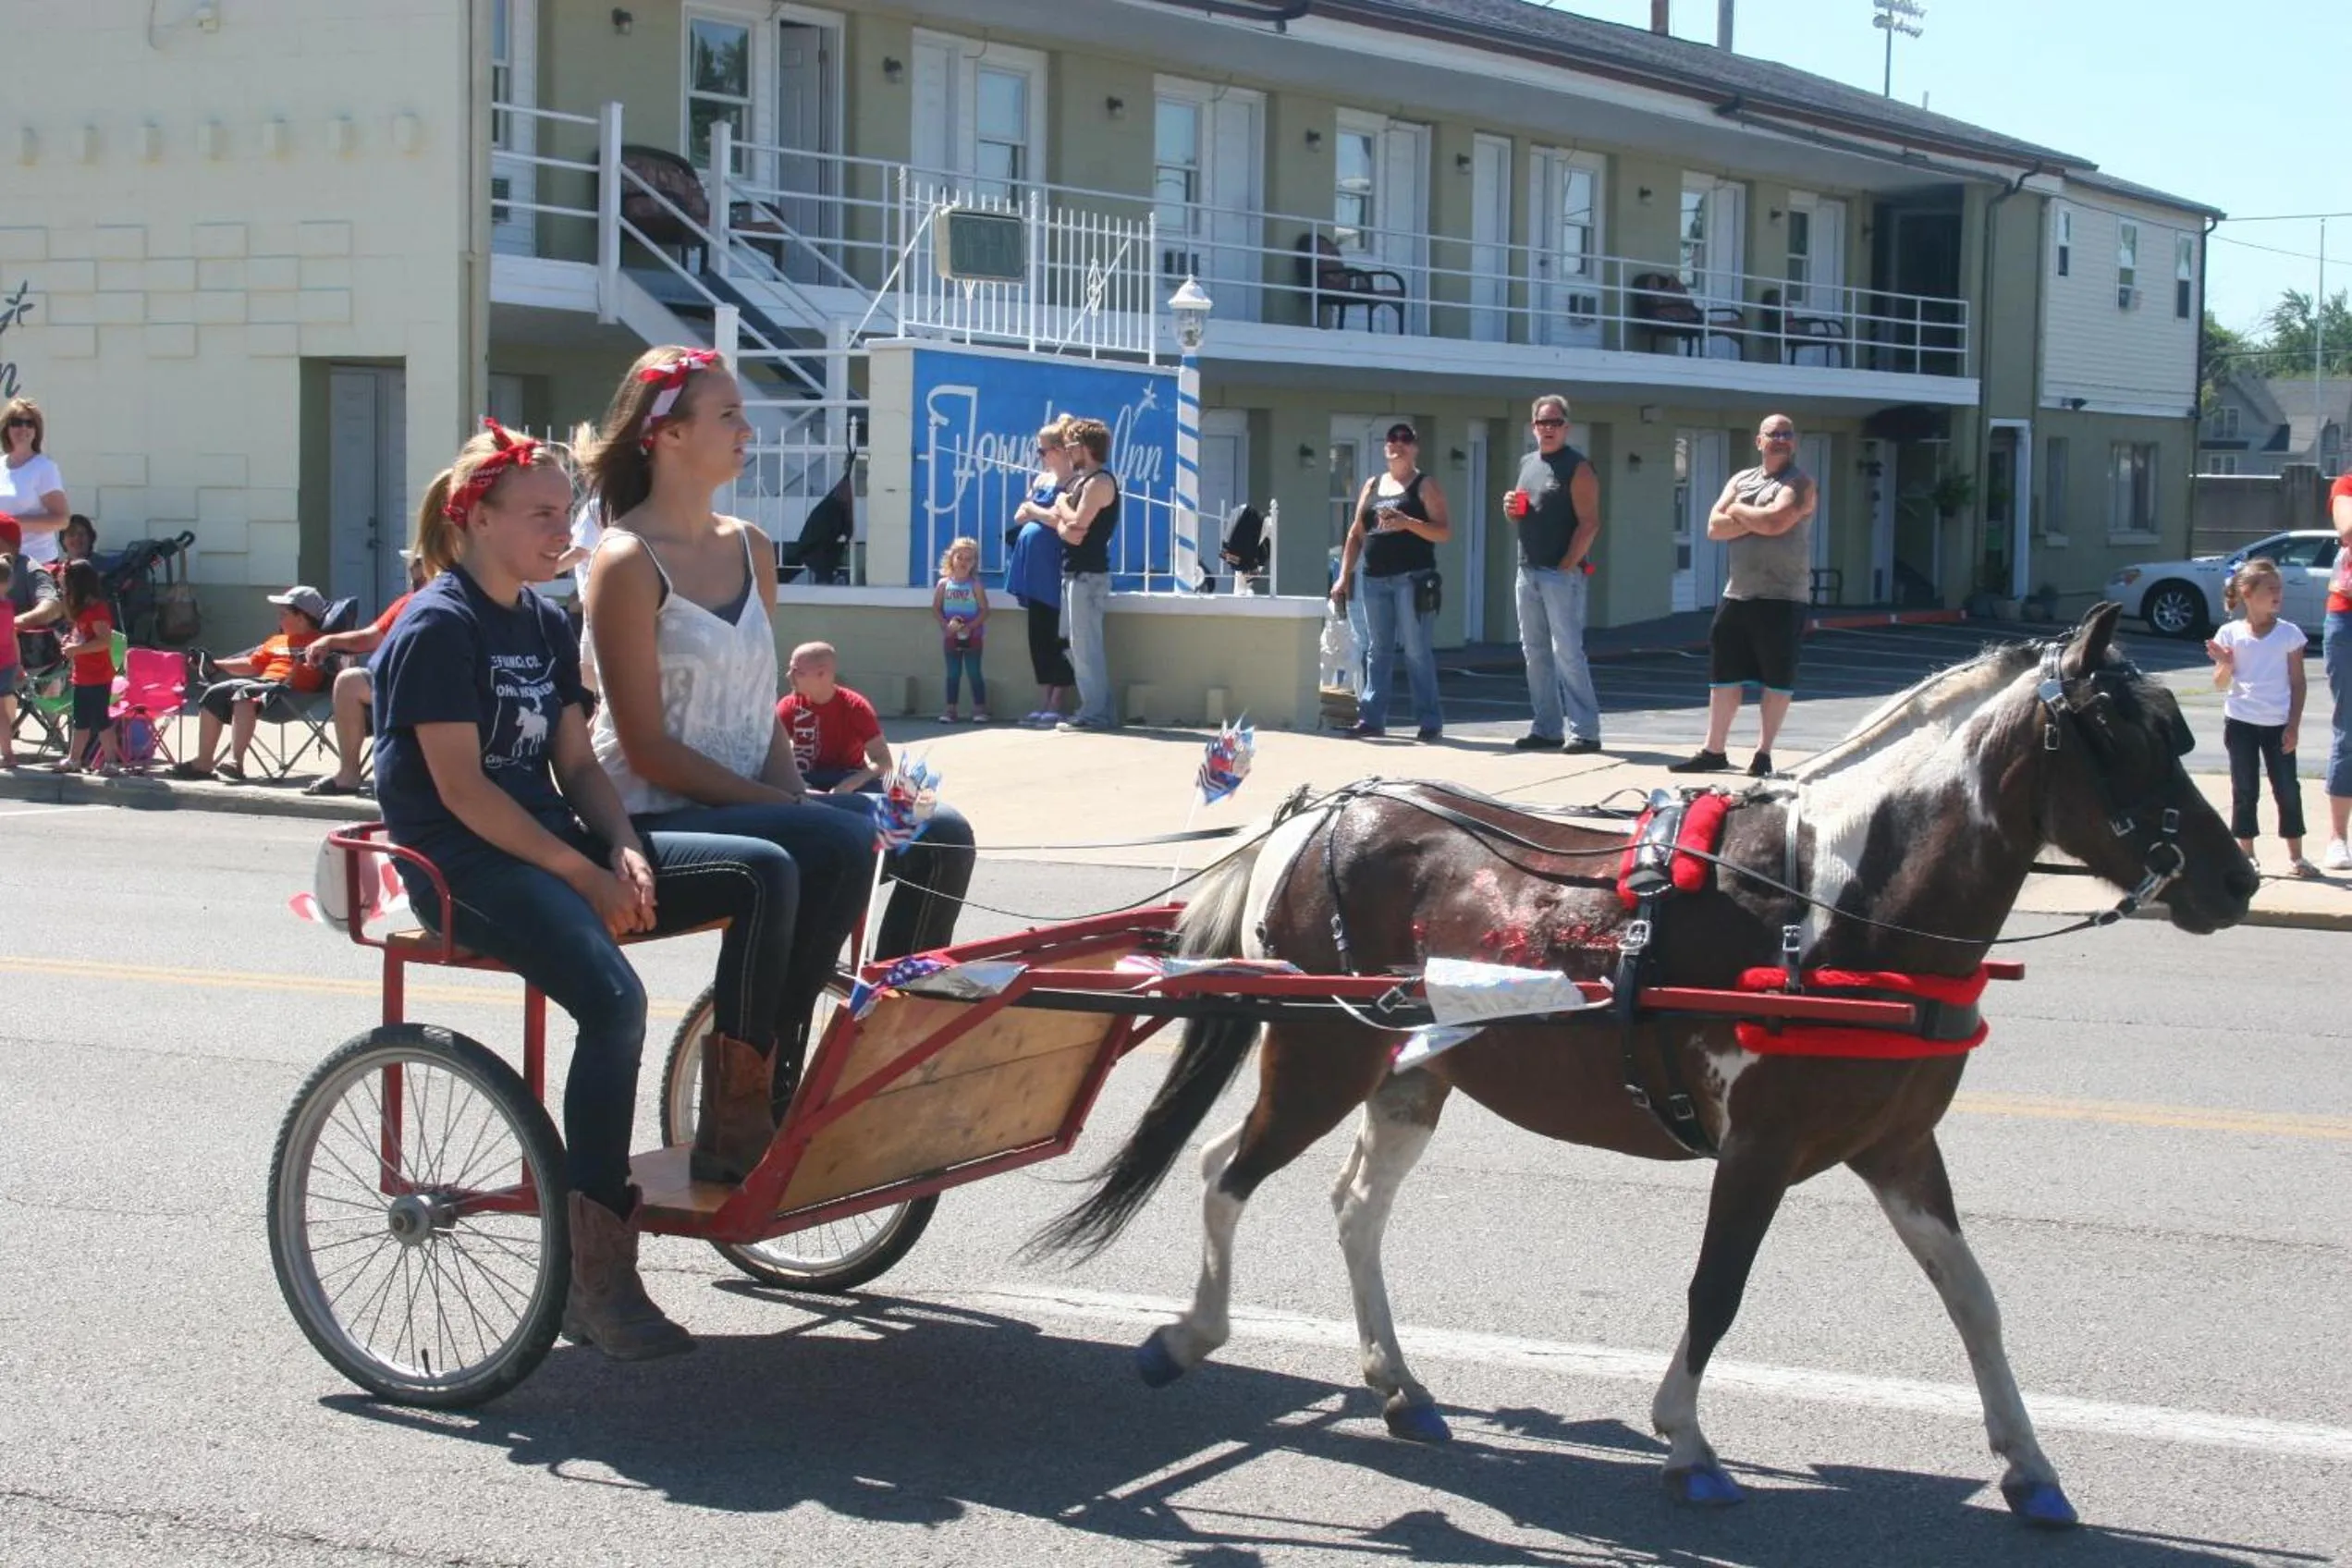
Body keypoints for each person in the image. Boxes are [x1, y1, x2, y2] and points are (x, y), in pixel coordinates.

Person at [374, 420, 817, 1360]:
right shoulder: (436, 626)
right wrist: (582, 871)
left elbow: (578, 763)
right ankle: (596, 1271)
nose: (561, 525)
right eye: (538, 512)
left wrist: (624, 847)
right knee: (614, 1003)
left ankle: (738, 1113)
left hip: (554, 843)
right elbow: (462, 792)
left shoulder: (544, 619)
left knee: (765, 867)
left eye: (564, 507)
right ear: (476, 516)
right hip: (466, 864)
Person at [580, 346, 970, 1179]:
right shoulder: (623, 560)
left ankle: (878, 1055)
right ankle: (750, 1108)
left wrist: (794, 796)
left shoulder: (753, 547)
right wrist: (790, 810)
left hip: (744, 801)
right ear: (668, 434)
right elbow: (646, 746)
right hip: (650, 813)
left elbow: (754, 706)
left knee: (940, 836)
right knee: (821, 846)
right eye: (728, 415)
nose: (746, 429)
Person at [1672, 413, 1819, 778]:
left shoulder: (1800, 484)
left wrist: (1737, 509)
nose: (1781, 439)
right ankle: (1713, 750)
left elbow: (1775, 523)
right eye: (1774, 434)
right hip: (1738, 592)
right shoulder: (1741, 479)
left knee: (1777, 679)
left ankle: (1763, 754)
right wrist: (1754, 517)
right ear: (1759, 441)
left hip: (1783, 596)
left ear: (1794, 442)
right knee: (1723, 677)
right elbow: (1712, 528)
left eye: (1787, 434)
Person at [1330, 421, 1450, 741]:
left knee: (1415, 650)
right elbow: (1356, 534)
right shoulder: (1372, 485)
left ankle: (1429, 720)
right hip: (1374, 579)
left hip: (1411, 579)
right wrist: (1344, 575)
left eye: (1405, 439)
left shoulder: (1425, 485)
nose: (1398, 444)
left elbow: (1443, 531)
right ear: (1385, 447)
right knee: (1377, 650)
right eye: (1392, 439)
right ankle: (1371, 719)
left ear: (1415, 447)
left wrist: (1408, 523)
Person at [1505, 395, 1603, 753]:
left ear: (1567, 427)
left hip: (1560, 575)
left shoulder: (1578, 468)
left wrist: (1567, 564)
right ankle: (1547, 727)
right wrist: (1511, 510)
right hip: (1527, 569)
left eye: (1555, 422)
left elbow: (1590, 523)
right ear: (1533, 426)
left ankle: (1586, 731)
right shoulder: (1528, 462)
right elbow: (1524, 512)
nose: (1548, 428)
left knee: (1567, 652)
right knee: (1534, 651)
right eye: (1542, 422)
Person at [2208, 557, 2314, 877]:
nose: (2277, 593)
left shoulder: (2289, 634)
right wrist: (2226, 662)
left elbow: (2298, 682)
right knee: (2244, 788)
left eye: (2279, 588)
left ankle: (2296, 856)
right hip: (2240, 722)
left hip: (2278, 723)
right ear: (2247, 593)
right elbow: (2220, 683)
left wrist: (2293, 725)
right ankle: (2247, 854)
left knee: (2287, 788)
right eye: (2270, 588)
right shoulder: (2229, 632)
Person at [300, 554, 435, 798]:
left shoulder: (444, 600)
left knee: (351, 681)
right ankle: (348, 775)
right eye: (413, 566)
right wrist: (329, 640)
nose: (412, 571)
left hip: (431, 687)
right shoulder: (408, 601)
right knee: (349, 681)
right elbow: (371, 637)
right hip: (400, 685)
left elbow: (371, 639)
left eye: (416, 565)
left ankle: (353, 775)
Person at [169, 586, 330, 782]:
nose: (278, 619)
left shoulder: (321, 641)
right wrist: (215, 664)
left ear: (302, 617)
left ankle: (236, 762)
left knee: (245, 693)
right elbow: (251, 664)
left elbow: (337, 664)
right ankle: (203, 763)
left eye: (284, 614)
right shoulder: (276, 640)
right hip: (264, 687)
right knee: (214, 693)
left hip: (291, 694)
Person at [1052, 417, 1121, 730]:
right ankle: (1099, 709)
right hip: (1073, 573)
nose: (1067, 451)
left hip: (1088, 576)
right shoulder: (1083, 482)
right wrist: (1062, 515)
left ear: (1086, 447)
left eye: (1071, 445)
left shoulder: (1100, 483)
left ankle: (1094, 714)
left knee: (1086, 646)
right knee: (1071, 643)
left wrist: (1062, 504)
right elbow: (1066, 527)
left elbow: (1077, 529)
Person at [1007, 418, 1076, 727]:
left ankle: (1058, 700)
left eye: (1042, 450)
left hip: (1055, 566)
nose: (1040, 456)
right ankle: (1044, 697)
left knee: (1056, 634)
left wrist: (1036, 511)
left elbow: (1062, 520)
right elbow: (1020, 513)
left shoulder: (1074, 482)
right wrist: (1037, 511)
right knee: (1037, 635)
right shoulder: (1041, 480)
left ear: (1059, 450)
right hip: (1032, 568)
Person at [778, 641, 893, 794]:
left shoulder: (855, 706)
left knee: (880, 791)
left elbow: (884, 761)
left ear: (822, 674)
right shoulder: (789, 705)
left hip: (848, 776)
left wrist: (849, 785)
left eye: (797, 672)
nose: (788, 676)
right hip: (807, 779)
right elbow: (770, 756)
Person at [55, 559, 121, 775]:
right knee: (80, 720)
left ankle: (111, 761)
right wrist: (70, 640)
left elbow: (104, 641)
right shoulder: (81, 612)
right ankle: (74, 759)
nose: (64, 591)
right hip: (82, 676)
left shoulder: (97, 611)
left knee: (101, 719)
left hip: (98, 676)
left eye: (66, 586)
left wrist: (76, 650)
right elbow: (80, 634)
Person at [2321, 470, 2352, 870]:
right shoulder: (2347, 485)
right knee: (2349, 730)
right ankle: (2338, 837)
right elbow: (2347, 527)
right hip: (2347, 620)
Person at [0, 398, 69, 568]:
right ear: (6, 428)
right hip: (3, 565)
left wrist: (12, 523)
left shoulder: (44, 468)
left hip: (35, 563)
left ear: (36, 430)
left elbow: (61, 519)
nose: (23, 428)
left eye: (29, 423)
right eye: (17, 422)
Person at [933, 535, 990, 722]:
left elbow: (984, 610)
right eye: (960, 558)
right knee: (953, 673)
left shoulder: (975, 585)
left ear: (974, 563)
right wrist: (946, 625)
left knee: (974, 672)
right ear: (952, 558)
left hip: (973, 636)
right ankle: (950, 710)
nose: (964, 562)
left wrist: (971, 626)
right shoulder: (943, 584)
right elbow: (936, 608)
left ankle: (980, 709)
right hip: (951, 636)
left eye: (969, 559)